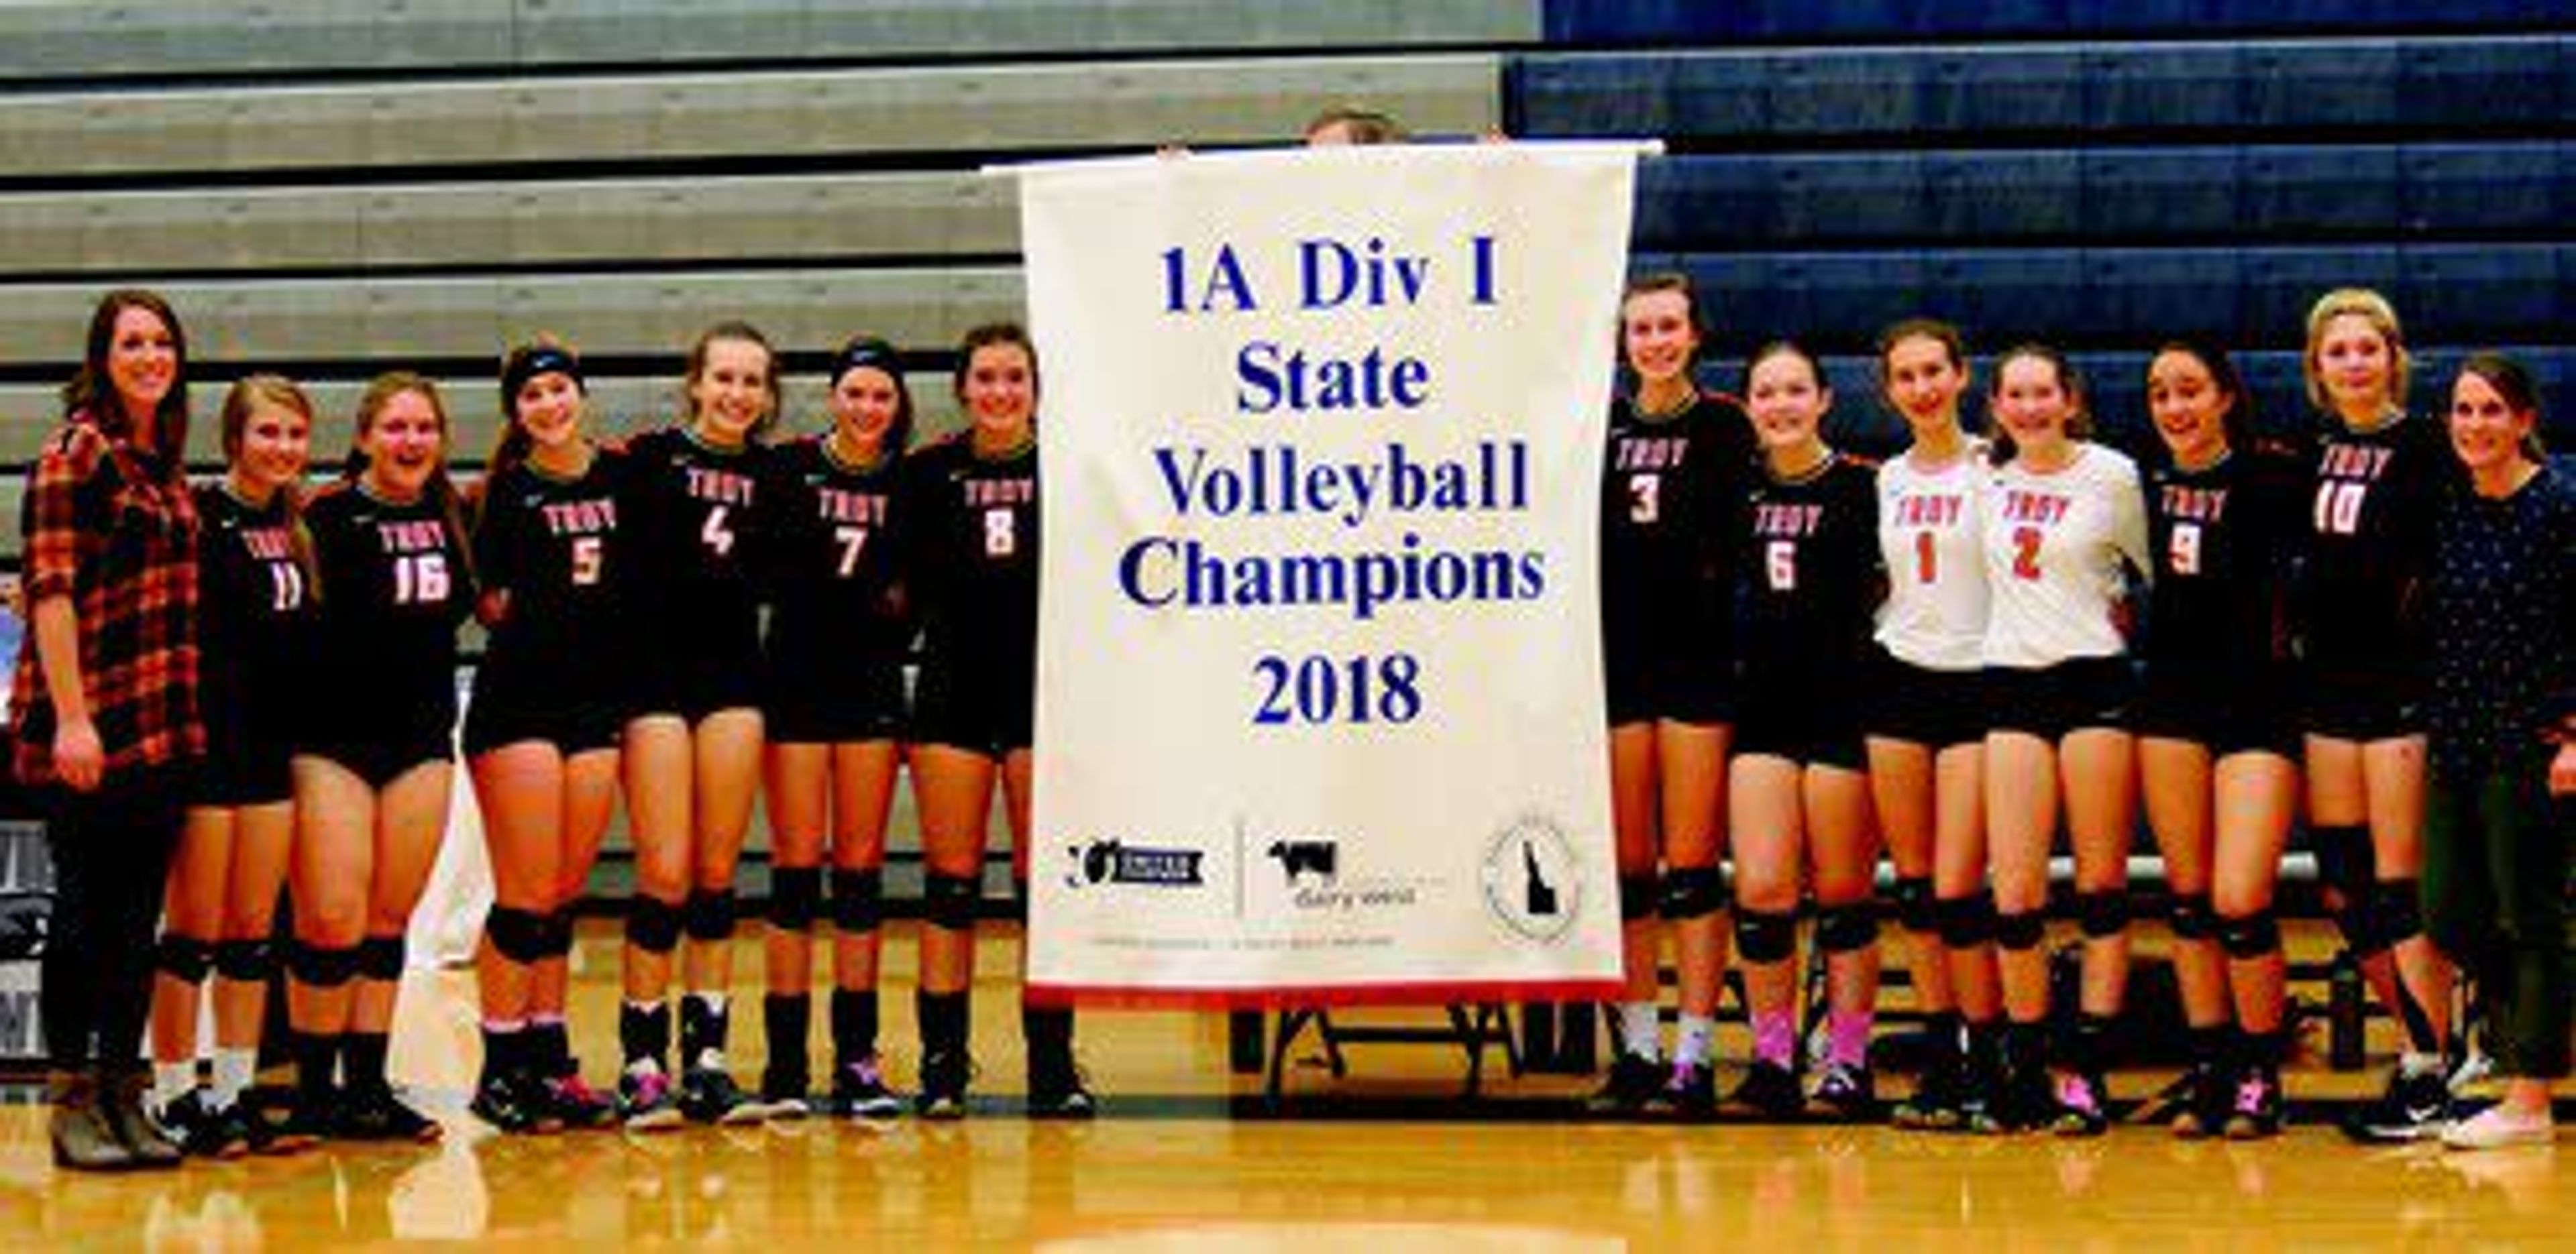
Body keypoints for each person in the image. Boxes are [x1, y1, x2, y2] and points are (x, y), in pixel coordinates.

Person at [15, 289, 203, 1170]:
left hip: (162, 724)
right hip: (91, 723)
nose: (150, 356)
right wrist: (75, 719)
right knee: (86, 917)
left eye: (162, 342)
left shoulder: (159, 460)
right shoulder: (74, 453)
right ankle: (71, 1101)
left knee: (137, 922)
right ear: (103, 355)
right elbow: (49, 592)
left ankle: (126, 1095)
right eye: (132, 342)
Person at [902, 322, 1089, 1119]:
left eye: (1015, 377)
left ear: (1037, 388)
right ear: (963, 388)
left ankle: (1052, 1063)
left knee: (1042, 893)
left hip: (1044, 697)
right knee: (950, 888)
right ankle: (943, 1063)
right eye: (986, 377)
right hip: (953, 693)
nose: (1001, 391)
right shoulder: (929, 474)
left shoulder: (1069, 467)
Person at [286, 372, 475, 1144]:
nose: (410, 441)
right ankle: (311, 1090)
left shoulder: (453, 511)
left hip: (421, 736)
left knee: (388, 919)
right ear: (365, 437)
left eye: (424, 427)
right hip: (332, 737)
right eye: (395, 427)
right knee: (330, 916)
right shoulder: (322, 515)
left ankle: (368, 1087)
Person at [2294, 288, 2461, 1143]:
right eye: (2337, 352)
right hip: (2327, 689)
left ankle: (2426, 1063)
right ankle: (2435, 1044)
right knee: (2343, 882)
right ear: (2317, 368)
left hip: (2398, 687)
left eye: (2368, 348)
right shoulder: (2315, 450)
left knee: (2400, 887)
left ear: (2392, 356)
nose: (2353, 362)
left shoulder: (2429, 446)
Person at [1585, 274, 1750, 1119]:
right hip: (1618, 660)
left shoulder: (1724, 426)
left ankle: (1696, 1052)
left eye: (1668, 327)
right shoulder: (1596, 424)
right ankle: (1638, 1049)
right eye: (1640, 329)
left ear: (1694, 335)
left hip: (1697, 661)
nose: (1654, 340)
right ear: (1622, 342)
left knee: (1691, 869)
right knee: (1629, 873)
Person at [2133, 341, 2306, 1138]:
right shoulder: (2141, 480)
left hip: (2258, 700)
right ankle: (2212, 1067)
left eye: (2191, 389)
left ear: (2227, 395)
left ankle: (2262, 1068)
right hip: (2170, 697)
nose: (2176, 406)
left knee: (2242, 897)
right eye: (2162, 393)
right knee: (2190, 897)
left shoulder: (2274, 472)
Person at [1976, 345, 2149, 1135]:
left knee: (2101, 887)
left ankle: (2087, 1064)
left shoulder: (2112, 474)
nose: (2031, 407)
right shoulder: (1983, 477)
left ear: (2070, 399)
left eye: (2043, 392)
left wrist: (2119, 611)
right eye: (2016, 394)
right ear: (1998, 405)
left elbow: (2148, 574)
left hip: (2092, 680)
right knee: (2014, 896)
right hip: (2012, 678)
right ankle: (2026, 1059)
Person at [612, 321, 780, 1128]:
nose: (738, 394)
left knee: (717, 874)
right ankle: (640, 1060)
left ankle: (708, 1056)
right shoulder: (648, 459)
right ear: (696, 383)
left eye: (753, 381)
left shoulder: (774, 473)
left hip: (734, 679)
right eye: (725, 378)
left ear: (768, 394)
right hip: (652, 678)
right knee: (665, 873)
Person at [148, 376, 321, 1158]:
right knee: (193, 933)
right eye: (268, 434)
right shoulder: (198, 518)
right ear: (234, 440)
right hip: (207, 749)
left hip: (271, 754)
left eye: (294, 435)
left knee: (253, 935)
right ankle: (175, 1093)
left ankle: (235, 1090)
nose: (282, 449)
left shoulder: (295, 526)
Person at [462, 339, 628, 1133]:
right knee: (524, 896)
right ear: (516, 412)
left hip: (596, 705)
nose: (549, 405)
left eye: (560, 389)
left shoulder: (622, 476)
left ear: (580, 393)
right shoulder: (503, 492)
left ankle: (549, 1054)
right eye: (533, 396)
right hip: (519, 704)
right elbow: (487, 605)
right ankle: (499, 1064)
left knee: (561, 896)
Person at [756, 336, 915, 1120]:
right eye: (855, 393)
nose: (867, 407)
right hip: (792, 685)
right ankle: (785, 1063)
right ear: (832, 397)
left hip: (871, 689)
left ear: (898, 406)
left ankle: (857, 1058)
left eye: (881, 396)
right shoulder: (787, 468)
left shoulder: (908, 479)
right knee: (793, 875)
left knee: (858, 875)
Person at [1725, 342, 1884, 1121]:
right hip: (1762, 704)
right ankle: (1771, 1056)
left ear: (1824, 398)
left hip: (1844, 703)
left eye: (1796, 389)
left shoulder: (1864, 487)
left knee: (1846, 892)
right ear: (1749, 405)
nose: (1781, 404)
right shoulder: (1737, 490)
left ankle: (1850, 1060)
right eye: (1766, 392)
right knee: (1761, 888)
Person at [2419, 353, 2570, 1150]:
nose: (2474, 424)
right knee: (2449, 910)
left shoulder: (2559, 508)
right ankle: (2546, 1030)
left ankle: (2530, 1097)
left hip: (2536, 743)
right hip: (2459, 741)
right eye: (2462, 410)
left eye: (2490, 410)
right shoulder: (2453, 508)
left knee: (2533, 917)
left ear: (2523, 421)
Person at [1864, 320, 1993, 1131]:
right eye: (1905, 376)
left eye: (1932, 372)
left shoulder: (1997, 467)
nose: (1921, 388)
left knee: (1958, 889)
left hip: (1978, 682)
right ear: (1889, 391)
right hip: (1897, 679)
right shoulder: (1885, 478)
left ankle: (1989, 1053)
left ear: (1960, 375)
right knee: (1914, 891)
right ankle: (1942, 1056)